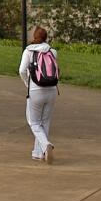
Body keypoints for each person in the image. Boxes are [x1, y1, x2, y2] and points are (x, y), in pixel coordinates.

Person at [18, 25, 58, 163]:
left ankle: (46, 144)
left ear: (34, 37)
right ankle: (38, 153)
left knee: (34, 122)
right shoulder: (53, 51)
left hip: (35, 90)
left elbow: (22, 70)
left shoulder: (28, 51)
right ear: (46, 38)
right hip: (52, 90)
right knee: (45, 121)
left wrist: (27, 84)